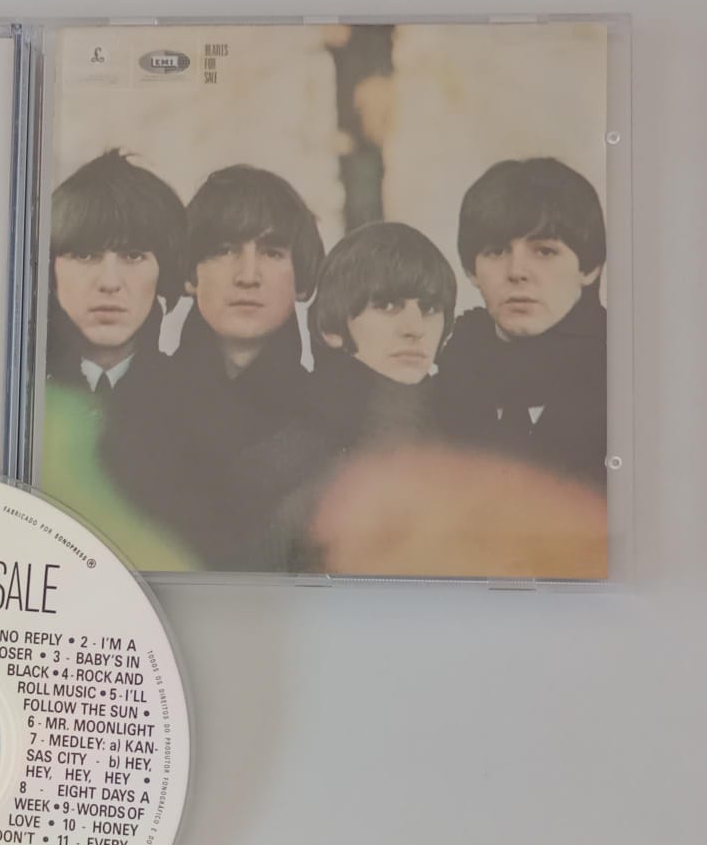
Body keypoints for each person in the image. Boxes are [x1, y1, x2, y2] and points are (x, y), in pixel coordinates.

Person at [101, 165, 324, 567]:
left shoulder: (332, 418)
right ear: (191, 274)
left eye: (272, 253)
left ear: (301, 279)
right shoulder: (134, 407)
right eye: (224, 251)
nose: (248, 276)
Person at [227, 221, 457, 570]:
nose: (415, 328)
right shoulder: (277, 467)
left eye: (429, 308)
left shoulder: (465, 450)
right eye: (388, 305)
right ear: (331, 328)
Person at [437, 157, 608, 489]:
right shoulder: (445, 379)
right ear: (472, 271)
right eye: (496, 251)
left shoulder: (629, 377)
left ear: (589, 268)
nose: (516, 272)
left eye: (544, 251)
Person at [45, 150, 186, 398]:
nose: (109, 283)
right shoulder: (13, 384)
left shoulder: (199, 400)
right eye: (84, 255)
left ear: (163, 272)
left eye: (133, 256)